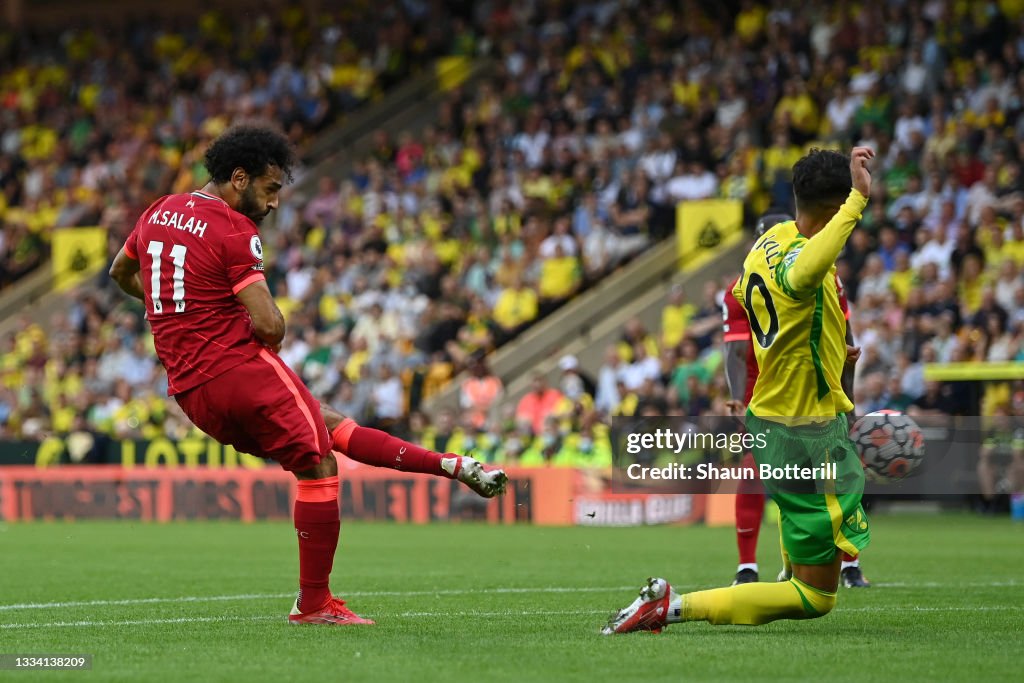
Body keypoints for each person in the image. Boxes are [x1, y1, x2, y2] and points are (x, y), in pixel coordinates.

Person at [108, 124, 507, 627]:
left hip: (190, 392)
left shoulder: (157, 210)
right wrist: (263, 336)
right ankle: (314, 604)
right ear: (238, 179)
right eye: (270, 189)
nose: (274, 203)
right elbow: (269, 322)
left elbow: (120, 273)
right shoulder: (234, 229)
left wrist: (171, 310)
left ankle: (450, 466)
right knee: (318, 467)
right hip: (237, 369)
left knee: (329, 425)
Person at [604, 147, 874, 634]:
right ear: (835, 210)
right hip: (803, 430)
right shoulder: (803, 261)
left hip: (773, 415)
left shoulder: (769, 240)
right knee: (816, 597)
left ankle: (786, 563)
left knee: (814, 538)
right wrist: (858, 200)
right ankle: (672, 605)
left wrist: (833, 351)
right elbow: (804, 274)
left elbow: (794, 310)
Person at [722, 212, 870, 589]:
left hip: (783, 393)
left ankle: (837, 564)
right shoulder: (821, 273)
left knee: (793, 477)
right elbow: (737, 352)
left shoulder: (746, 281)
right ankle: (760, 566)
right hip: (785, 391)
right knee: (828, 475)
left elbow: (737, 352)